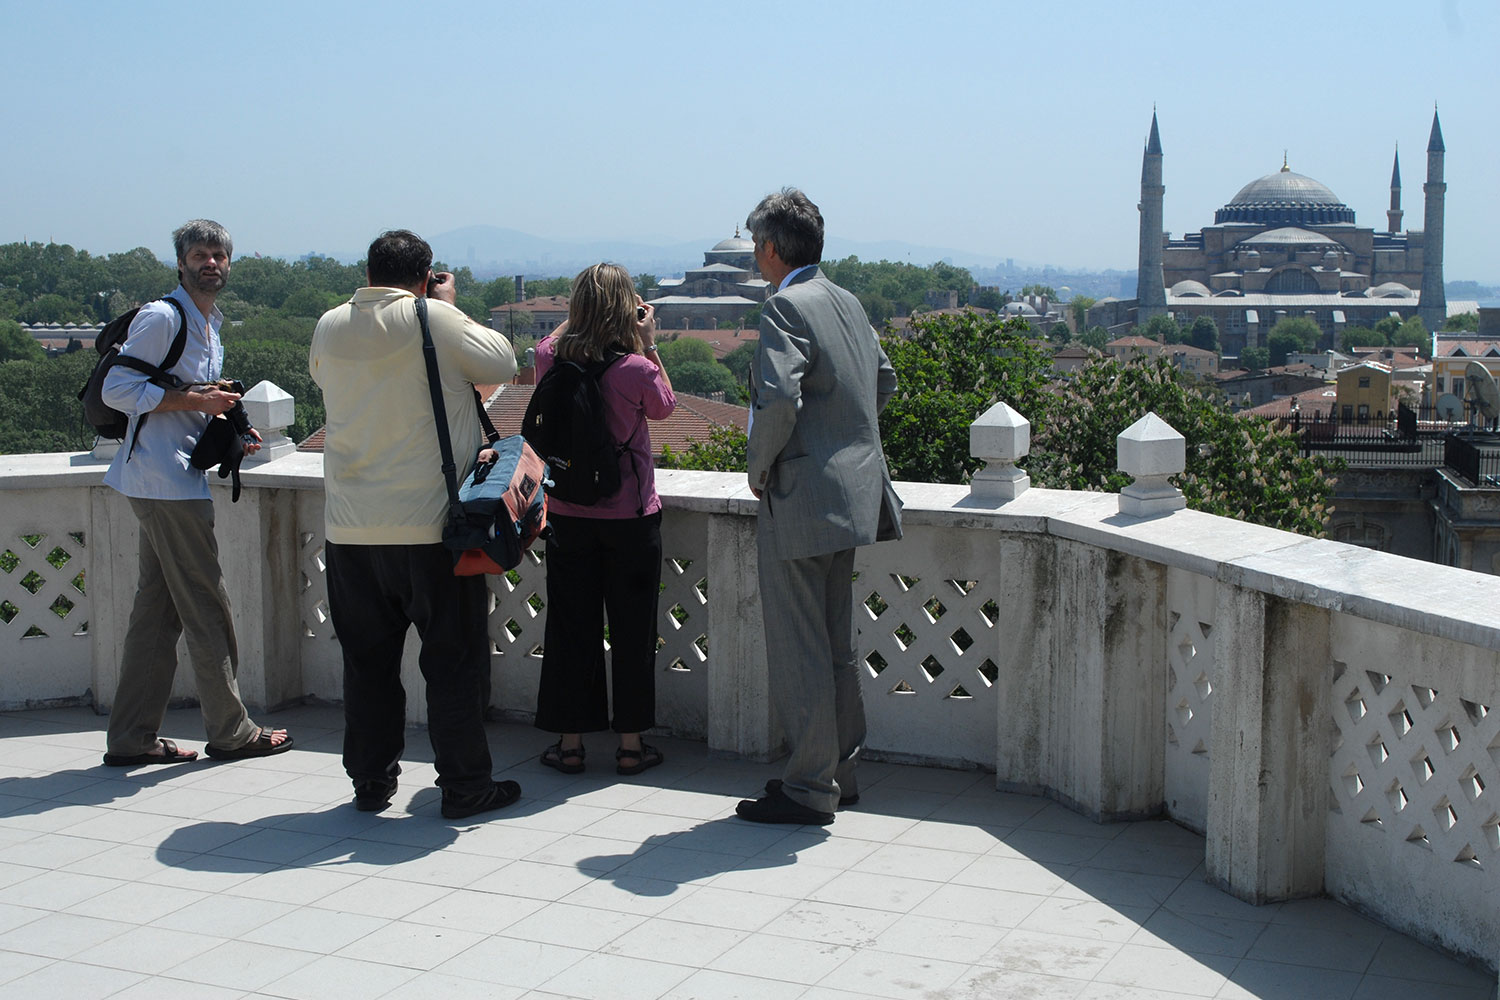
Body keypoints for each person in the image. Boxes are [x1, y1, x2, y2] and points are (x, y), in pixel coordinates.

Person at [309, 230, 520, 819]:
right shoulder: (436, 318)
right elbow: (504, 362)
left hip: (351, 528)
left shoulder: (329, 324)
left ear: (368, 273)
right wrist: (447, 306)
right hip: (431, 527)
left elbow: (327, 379)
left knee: (367, 666)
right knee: (452, 663)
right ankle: (465, 786)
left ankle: (370, 781)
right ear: (425, 277)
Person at [735, 189, 903, 825]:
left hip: (799, 496)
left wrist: (759, 468)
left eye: (756, 245)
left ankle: (808, 787)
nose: (755, 255)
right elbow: (884, 380)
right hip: (855, 493)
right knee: (836, 644)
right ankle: (841, 774)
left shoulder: (785, 306)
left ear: (772, 249)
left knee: (799, 646)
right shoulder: (847, 301)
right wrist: (844, 444)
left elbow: (777, 401)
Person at [100, 219, 294, 767]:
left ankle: (131, 738)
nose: (210, 263)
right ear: (181, 262)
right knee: (207, 606)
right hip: (164, 482)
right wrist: (196, 402)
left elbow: (185, 394)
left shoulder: (207, 322)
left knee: (157, 612)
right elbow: (118, 389)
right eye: (199, 255)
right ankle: (231, 731)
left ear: (229, 264)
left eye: (218, 255)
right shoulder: (165, 317)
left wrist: (228, 424)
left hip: (166, 478)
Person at [533, 263, 676, 777]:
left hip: (568, 514)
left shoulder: (550, 358)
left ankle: (570, 745)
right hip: (630, 516)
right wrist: (648, 341)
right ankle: (631, 746)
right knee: (633, 631)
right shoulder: (636, 368)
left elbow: (547, 344)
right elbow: (665, 408)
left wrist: (577, 320)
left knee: (571, 629)